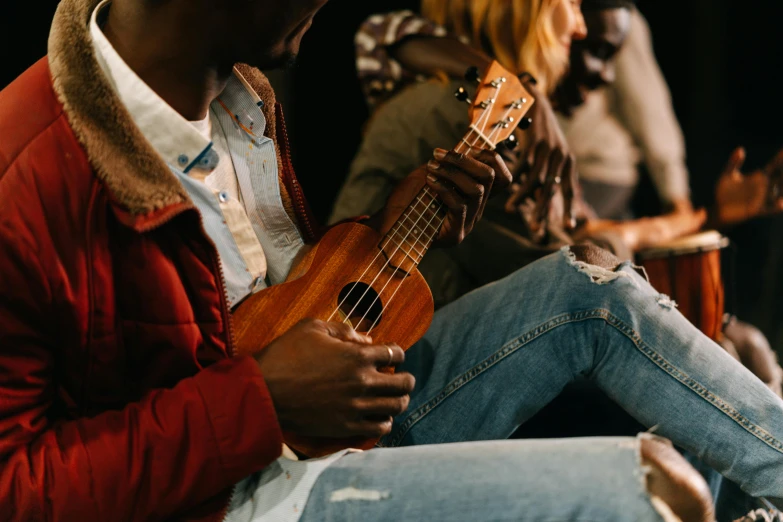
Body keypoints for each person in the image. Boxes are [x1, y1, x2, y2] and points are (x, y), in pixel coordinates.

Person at [3, 0, 783, 521]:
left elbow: (278, 308)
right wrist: (258, 402)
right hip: (229, 497)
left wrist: (389, 228)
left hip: (322, 426)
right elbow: (16, 486)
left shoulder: (244, 103)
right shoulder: (26, 172)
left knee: (591, 287)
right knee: (653, 490)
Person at [337, 0, 783, 396]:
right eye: (569, 3)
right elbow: (570, 273)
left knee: (726, 345)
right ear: (526, 13)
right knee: (713, 347)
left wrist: (714, 214)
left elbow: (584, 239)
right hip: (404, 370)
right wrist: (520, 87)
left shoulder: (499, 118)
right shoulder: (466, 119)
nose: (580, 25)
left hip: (425, 350)